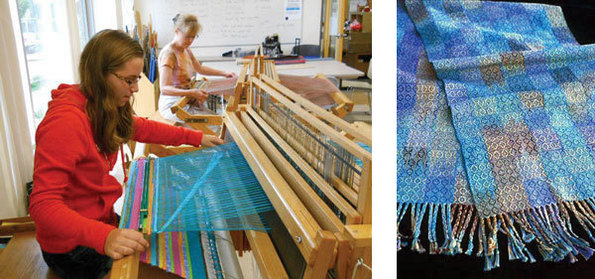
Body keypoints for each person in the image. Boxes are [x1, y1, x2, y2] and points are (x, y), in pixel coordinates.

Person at [29, 29, 225, 279]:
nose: (134, 89)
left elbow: (141, 127)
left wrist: (196, 138)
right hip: (70, 247)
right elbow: (43, 206)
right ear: (100, 75)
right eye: (129, 80)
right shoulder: (64, 123)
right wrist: (105, 236)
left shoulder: (102, 104)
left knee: (161, 239)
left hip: (100, 221)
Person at [158, 13, 237, 124]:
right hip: (173, 106)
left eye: (193, 37)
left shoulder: (186, 50)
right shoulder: (169, 54)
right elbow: (164, 89)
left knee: (220, 121)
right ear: (177, 31)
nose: (190, 40)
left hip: (186, 100)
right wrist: (192, 93)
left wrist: (224, 73)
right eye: (187, 36)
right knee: (215, 125)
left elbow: (200, 69)